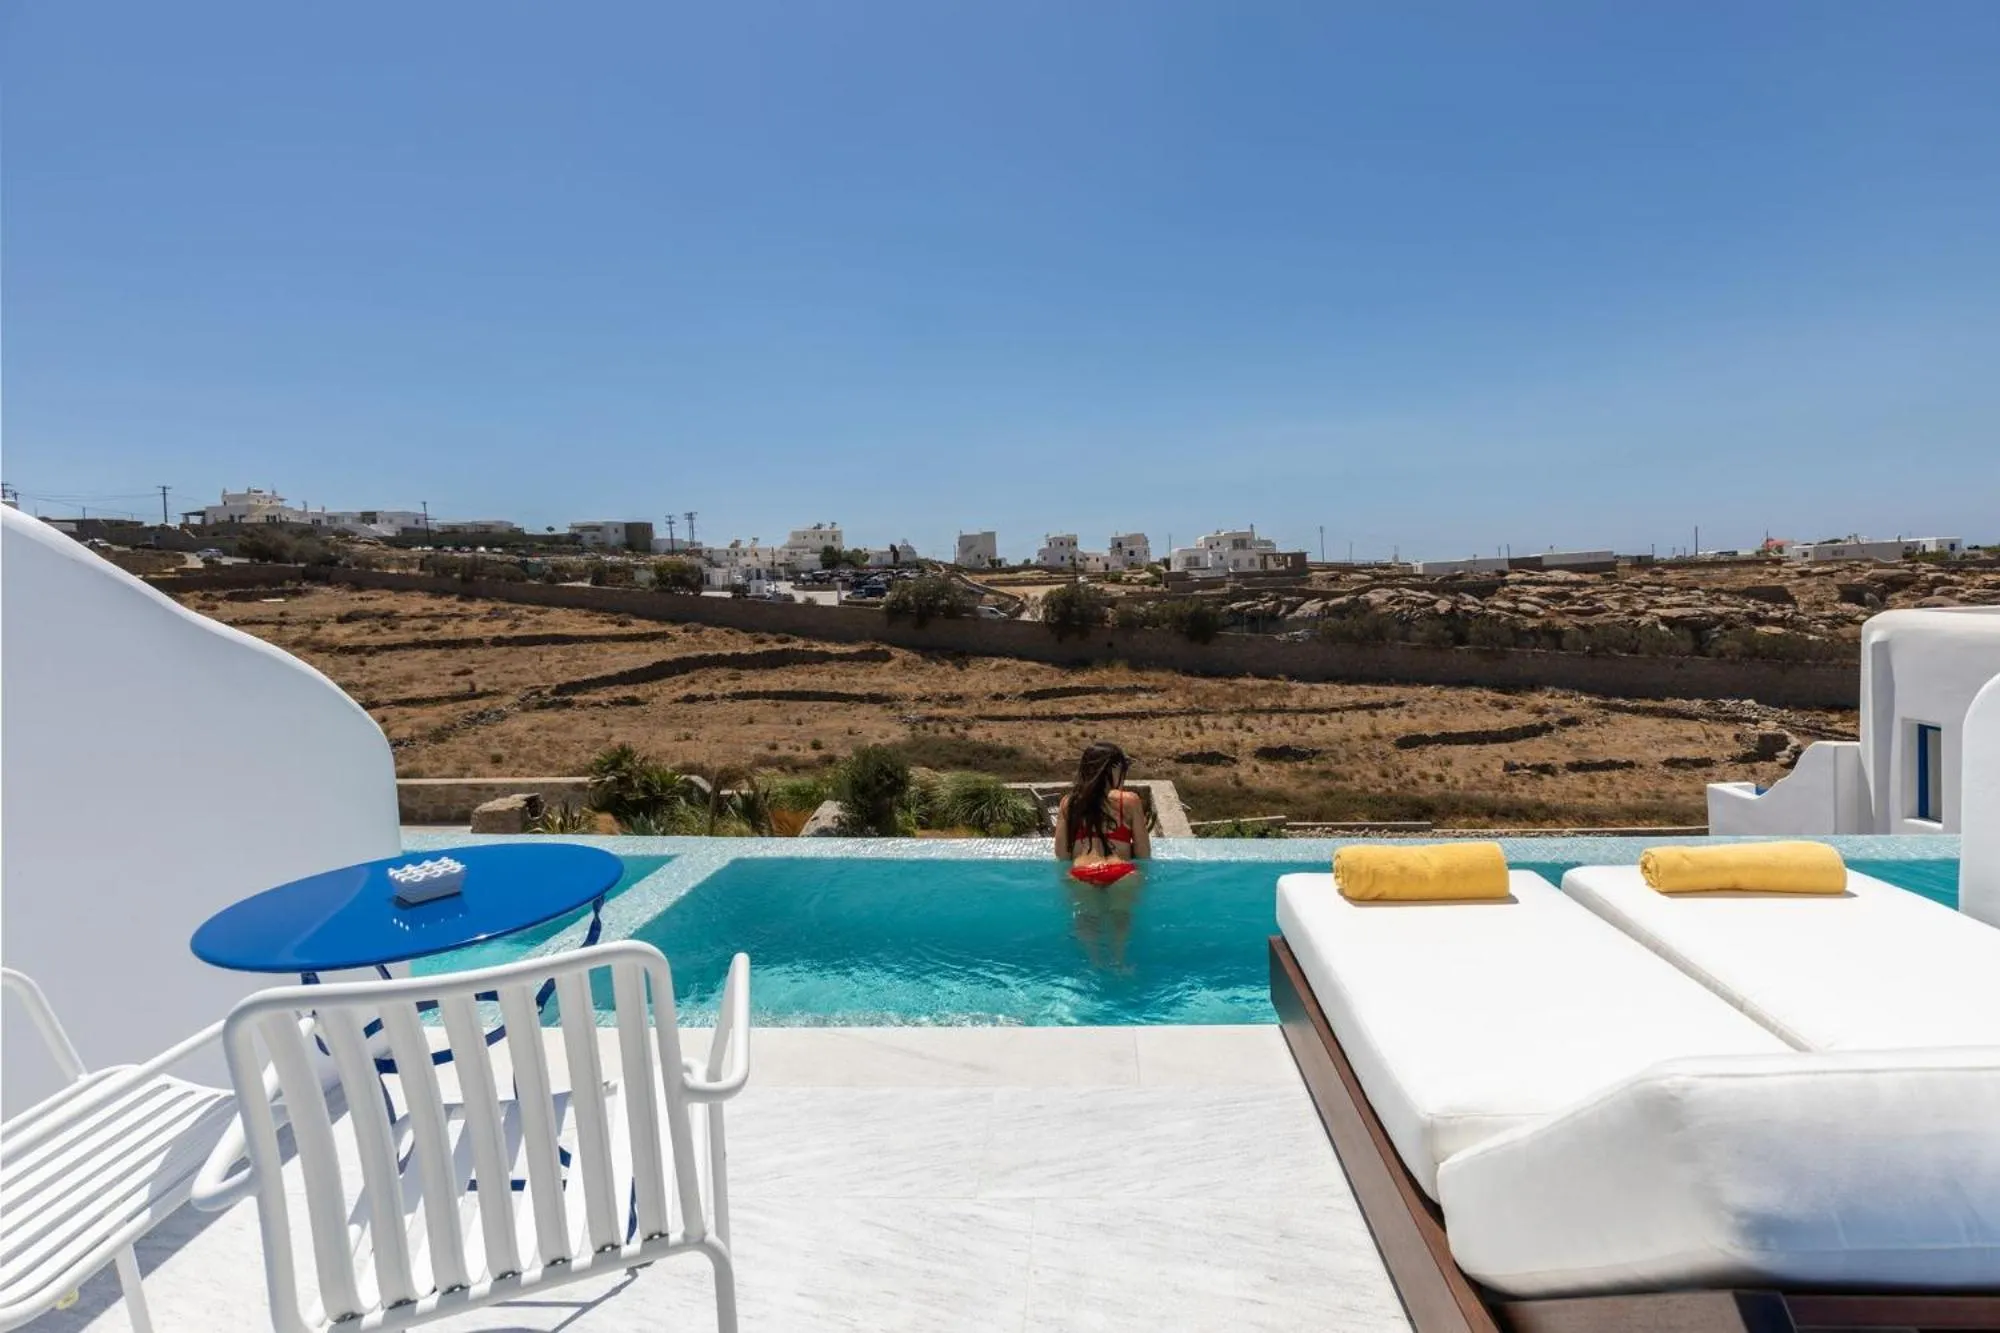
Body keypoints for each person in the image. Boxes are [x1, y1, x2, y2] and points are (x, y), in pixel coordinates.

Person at [1054, 741, 1150, 967]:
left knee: (1087, 918)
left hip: (1082, 871)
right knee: (1120, 916)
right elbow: (1144, 852)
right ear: (1113, 768)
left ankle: (1095, 962)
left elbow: (1061, 854)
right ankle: (1119, 962)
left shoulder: (1069, 803)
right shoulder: (1129, 801)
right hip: (1121, 871)